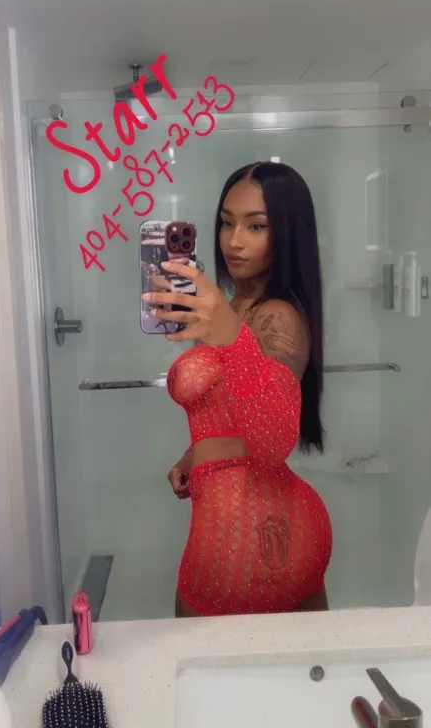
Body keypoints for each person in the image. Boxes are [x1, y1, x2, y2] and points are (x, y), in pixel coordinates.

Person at [142, 161, 332, 617]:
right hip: (249, 520)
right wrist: (193, 457)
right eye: (227, 222)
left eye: (256, 226)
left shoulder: (279, 316)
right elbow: (232, 415)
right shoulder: (236, 303)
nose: (233, 241)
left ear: (287, 233)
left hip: (255, 533)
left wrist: (230, 335)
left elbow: (272, 443)